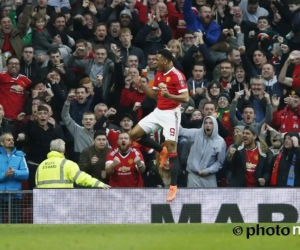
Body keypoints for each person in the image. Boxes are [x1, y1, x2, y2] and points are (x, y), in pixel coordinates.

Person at [130, 49, 189, 202]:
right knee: (134, 134)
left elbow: (186, 97)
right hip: (159, 111)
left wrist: (170, 96)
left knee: (172, 149)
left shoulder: (177, 75)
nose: (155, 63)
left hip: (172, 113)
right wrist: (142, 87)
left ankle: (173, 187)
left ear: (167, 61)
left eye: (158, 60)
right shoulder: (159, 74)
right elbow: (154, 95)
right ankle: (160, 149)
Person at [35, 139, 110, 189]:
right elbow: (81, 178)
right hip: (62, 201)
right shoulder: (68, 164)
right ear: (64, 149)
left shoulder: (41, 165)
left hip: (44, 203)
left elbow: (36, 183)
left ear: (50, 149)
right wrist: (99, 184)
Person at [179, 116, 226, 187]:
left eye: (210, 123)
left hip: (209, 177)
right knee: (192, 197)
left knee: (210, 198)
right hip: (193, 175)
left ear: (215, 126)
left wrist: (208, 170)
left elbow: (220, 163)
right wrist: (174, 115)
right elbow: (181, 131)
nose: (207, 125)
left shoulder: (220, 142)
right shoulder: (196, 133)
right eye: (206, 123)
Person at [0, 133, 29, 223]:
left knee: (15, 223)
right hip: (0, 195)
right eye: (8, 140)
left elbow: (26, 174)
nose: (11, 141)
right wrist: (4, 175)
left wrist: (14, 172)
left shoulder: (20, 156)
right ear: (1, 143)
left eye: (12, 139)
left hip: (15, 195)